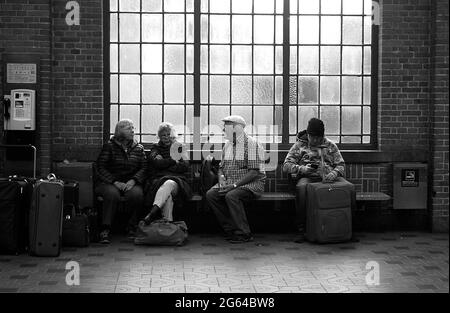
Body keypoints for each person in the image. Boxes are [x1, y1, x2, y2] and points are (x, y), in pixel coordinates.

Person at [283, 117, 357, 243]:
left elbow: (341, 164)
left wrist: (334, 173)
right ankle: (302, 229)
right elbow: (286, 166)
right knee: (301, 189)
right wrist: (302, 169)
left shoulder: (330, 145)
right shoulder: (299, 145)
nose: (316, 140)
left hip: (330, 178)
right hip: (308, 177)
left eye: (319, 137)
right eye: (313, 137)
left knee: (350, 188)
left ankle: (349, 228)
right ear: (308, 134)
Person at [206, 115, 266, 244]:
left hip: (252, 184)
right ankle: (231, 229)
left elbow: (254, 172)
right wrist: (222, 180)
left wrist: (233, 186)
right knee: (211, 194)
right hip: (231, 182)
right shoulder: (227, 145)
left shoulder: (251, 144)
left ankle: (244, 233)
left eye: (226, 127)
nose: (223, 130)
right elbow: (221, 167)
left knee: (232, 195)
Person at [95, 119, 147, 244]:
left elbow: (144, 168)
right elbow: (100, 167)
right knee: (112, 194)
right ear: (120, 131)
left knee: (137, 195)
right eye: (129, 128)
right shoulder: (109, 146)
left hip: (131, 182)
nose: (133, 131)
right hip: (110, 182)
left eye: (133, 128)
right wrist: (114, 182)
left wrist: (134, 180)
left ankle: (132, 226)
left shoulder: (138, 148)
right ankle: (105, 229)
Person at [142, 122, 192, 224]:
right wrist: (174, 160)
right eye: (163, 135)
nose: (166, 137)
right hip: (159, 181)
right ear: (159, 136)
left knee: (169, 183)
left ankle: (152, 213)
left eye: (168, 134)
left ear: (172, 135)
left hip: (178, 182)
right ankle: (167, 223)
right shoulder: (155, 148)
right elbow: (156, 163)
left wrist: (164, 165)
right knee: (167, 193)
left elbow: (185, 166)